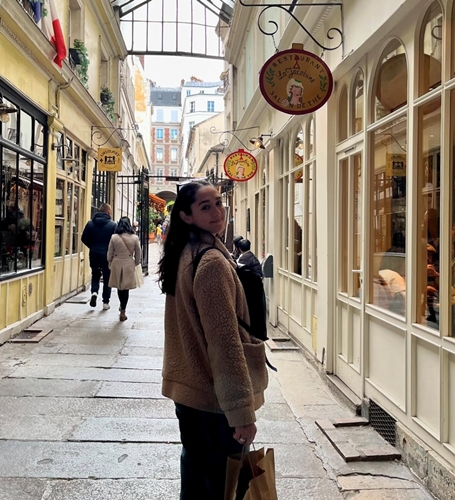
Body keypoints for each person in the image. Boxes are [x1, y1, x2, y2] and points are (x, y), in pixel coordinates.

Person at [157, 181, 268, 500]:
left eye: (218, 203)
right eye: (205, 207)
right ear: (187, 216)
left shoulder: (187, 251)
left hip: (192, 392)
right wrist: (241, 414)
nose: (217, 211)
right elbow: (224, 344)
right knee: (219, 486)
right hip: (213, 400)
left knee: (197, 479)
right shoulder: (211, 263)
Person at [81, 203, 117, 310]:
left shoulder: (90, 224)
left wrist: (92, 246)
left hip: (94, 254)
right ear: (108, 212)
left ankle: (94, 292)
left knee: (95, 274)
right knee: (107, 278)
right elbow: (115, 241)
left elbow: (84, 238)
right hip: (107, 255)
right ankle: (105, 302)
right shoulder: (113, 225)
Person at [107, 217, 142, 322]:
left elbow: (110, 252)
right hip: (128, 263)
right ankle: (123, 310)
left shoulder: (114, 237)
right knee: (125, 288)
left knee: (119, 287)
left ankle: (121, 306)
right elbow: (138, 252)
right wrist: (136, 262)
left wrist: (110, 262)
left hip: (116, 263)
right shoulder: (134, 238)